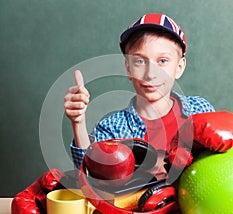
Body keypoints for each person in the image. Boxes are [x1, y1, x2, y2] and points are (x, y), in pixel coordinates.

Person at [64, 13, 215, 179]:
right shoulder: (112, 128)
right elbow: (91, 176)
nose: (150, 74)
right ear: (128, 68)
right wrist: (78, 123)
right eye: (139, 61)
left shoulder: (200, 110)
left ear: (179, 67)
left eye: (163, 61)